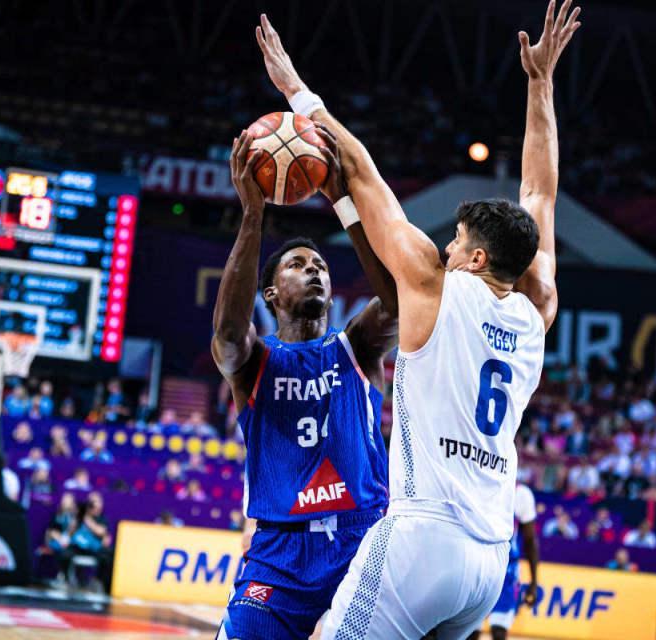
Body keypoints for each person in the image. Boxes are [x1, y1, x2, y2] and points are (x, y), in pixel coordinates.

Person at [255, 2, 579, 634]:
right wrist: (540, 85)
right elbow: (540, 193)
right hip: (489, 560)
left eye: (457, 241)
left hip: (424, 536)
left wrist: (296, 91)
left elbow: (361, 170)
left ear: (477, 257)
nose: (447, 248)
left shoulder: (435, 286)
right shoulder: (538, 305)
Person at [212, 53, 399, 640]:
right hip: (280, 553)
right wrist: (253, 216)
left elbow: (399, 302)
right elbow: (226, 336)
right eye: (298, 264)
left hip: (363, 541)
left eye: (320, 266)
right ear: (270, 292)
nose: (315, 270)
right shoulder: (254, 363)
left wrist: (344, 202)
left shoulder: (357, 347)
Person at [469, 483, 540, 640]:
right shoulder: (477, 484)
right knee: (470, 631)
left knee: (499, 631)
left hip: (506, 572)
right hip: (478, 566)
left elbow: (530, 540)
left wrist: (534, 581)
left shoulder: (521, 494)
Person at [67, 492, 113, 592]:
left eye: (97, 502)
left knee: (108, 555)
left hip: (94, 548)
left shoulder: (102, 518)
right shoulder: (79, 515)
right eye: (92, 502)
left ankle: (99, 581)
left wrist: (86, 519)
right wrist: (78, 516)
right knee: (64, 553)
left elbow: (101, 532)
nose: (95, 505)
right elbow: (70, 532)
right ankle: (68, 580)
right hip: (78, 547)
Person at [47, 492, 78, 585]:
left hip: (70, 543)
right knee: (59, 549)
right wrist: (60, 539)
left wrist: (67, 538)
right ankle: (61, 573)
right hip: (57, 541)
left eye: (68, 501)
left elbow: (73, 532)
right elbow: (51, 531)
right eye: (64, 500)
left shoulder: (74, 516)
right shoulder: (57, 515)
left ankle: (66, 574)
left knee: (68, 551)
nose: (65, 502)